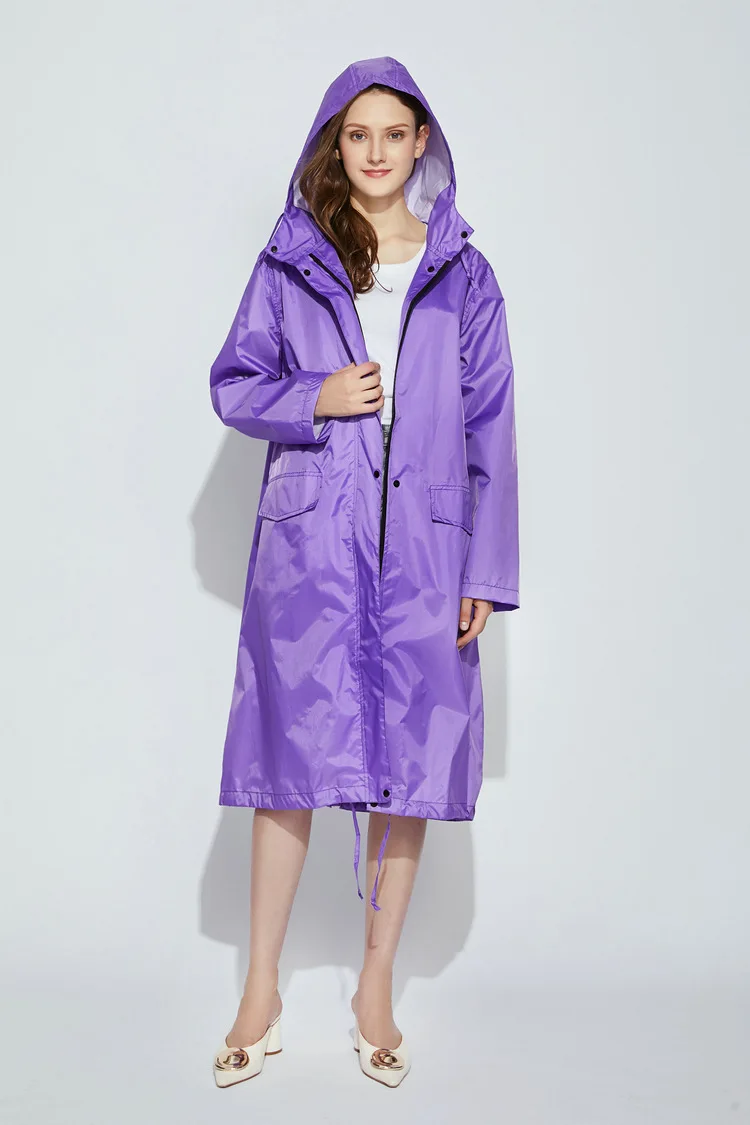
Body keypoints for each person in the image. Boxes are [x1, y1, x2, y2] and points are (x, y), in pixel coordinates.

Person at [209, 55, 520, 1089]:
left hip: (428, 556)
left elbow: (490, 428)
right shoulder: (293, 262)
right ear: (334, 145)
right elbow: (233, 383)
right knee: (285, 762)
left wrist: (484, 569)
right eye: (358, 135)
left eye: (394, 134)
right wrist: (314, 397)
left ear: (421, 142)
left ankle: (375, 987)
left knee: (410, 766)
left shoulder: (465, 275)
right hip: (311, 551)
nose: (377, 152)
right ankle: (260, 988)